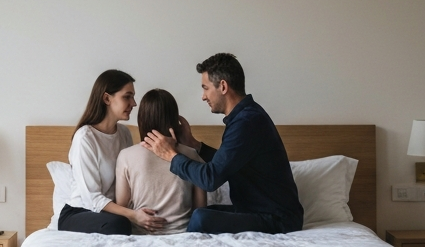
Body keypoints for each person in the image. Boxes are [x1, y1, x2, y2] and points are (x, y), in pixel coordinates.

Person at [142, 52, 304, 235]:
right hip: (255, 211)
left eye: (205, 88)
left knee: (201, 218)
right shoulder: (246, 117)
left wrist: (170, 155)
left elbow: (210, 179)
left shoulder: (247, 122)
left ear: (223, 86)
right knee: (200, 213)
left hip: (278, 219)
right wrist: (194, 144)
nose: (203, 96)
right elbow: (226, 163)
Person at [59, 69, 168, 235]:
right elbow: (92, 198)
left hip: (113, 213)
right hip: (80, 212)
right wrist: (133, 216)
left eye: (133, 97)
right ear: (106, 98)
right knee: (120, 225)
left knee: (129, 223)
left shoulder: (124, 134)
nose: (134, 103)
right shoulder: (85, 138)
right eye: (127, 96)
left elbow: (130, 179)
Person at [115, 89, 207, 234]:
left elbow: (121, 208)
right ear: (175, 119)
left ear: (142, 119)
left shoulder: (126, 156)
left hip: (141, 237)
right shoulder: (193, 155)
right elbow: (200, 209)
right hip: (182, 236)